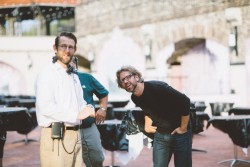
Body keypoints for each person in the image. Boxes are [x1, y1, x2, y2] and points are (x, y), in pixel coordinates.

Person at [35, 32, 95, 167]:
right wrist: (77, 114)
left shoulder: (73, 75)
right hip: (55, 136)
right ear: (55, 48)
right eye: (63, 46)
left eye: (70, 47)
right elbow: (46, 107)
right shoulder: (47, 74)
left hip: (76, 135)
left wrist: (88, 107)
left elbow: (80, 103)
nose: (67, 51)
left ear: (75, 50)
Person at [116, 65, 192, 167]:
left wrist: (183, 128)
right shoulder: (135, 97)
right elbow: (147, 110)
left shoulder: (157, 87)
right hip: (160, 135)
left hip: (179, 134)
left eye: (128, 77)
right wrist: (147, 125)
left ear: (137, 77)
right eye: (122, 80)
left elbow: (185, 101)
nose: (125, 81)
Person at [77, 71, 109, 167]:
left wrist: (103, 108)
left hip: (88, 126)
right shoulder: (57, 78)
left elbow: (103, 93)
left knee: (97, 159)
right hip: (67, 128)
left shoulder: (86, 77)